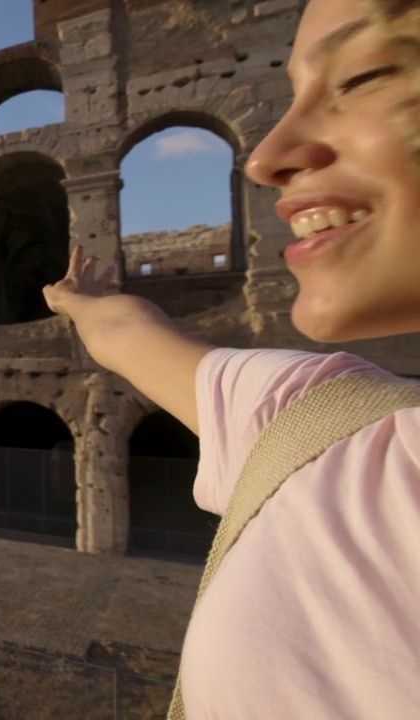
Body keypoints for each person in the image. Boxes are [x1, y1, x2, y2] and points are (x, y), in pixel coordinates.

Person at [42, 2, 420, 714]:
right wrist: (74, 302)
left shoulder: (320, 424)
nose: (267, 153)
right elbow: (127, 336)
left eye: (364, 76)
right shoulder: (321, 422)